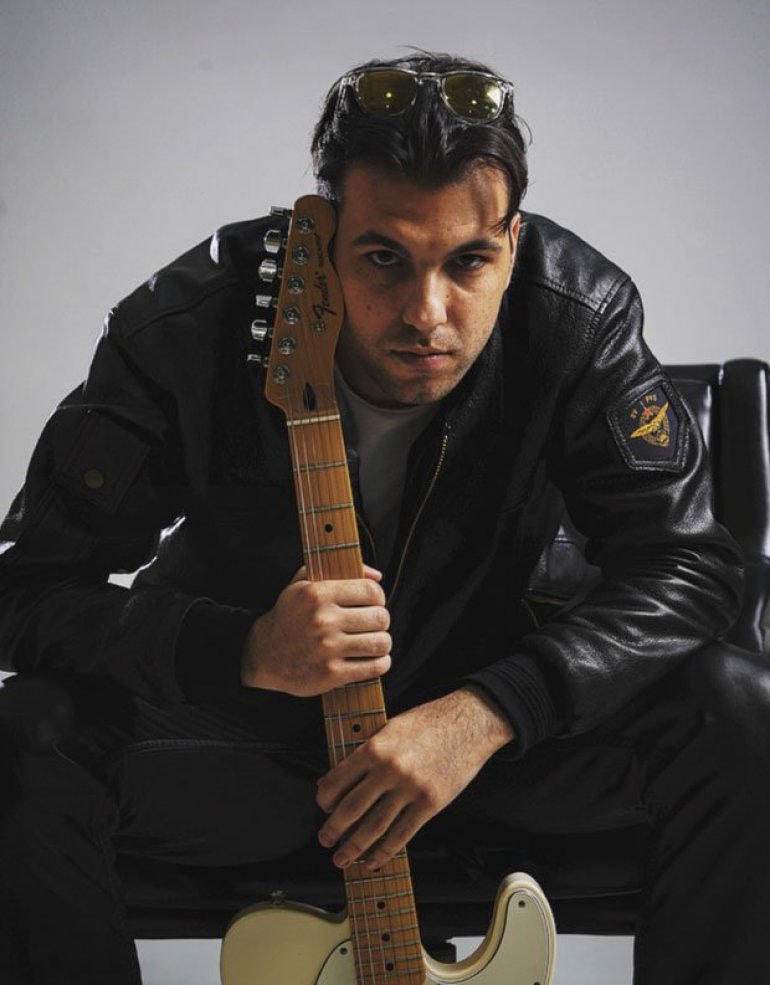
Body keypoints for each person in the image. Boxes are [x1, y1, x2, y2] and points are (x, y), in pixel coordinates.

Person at [0, 50, 765, 985]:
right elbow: (25, 591)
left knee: (742, 711)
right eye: (383, 258)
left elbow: (690, 567)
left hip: (496, 752)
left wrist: (490, 710)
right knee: (25, 734)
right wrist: (240, 649)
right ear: (322, 234)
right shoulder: (187, 327)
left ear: (514, 242)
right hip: (258, 747)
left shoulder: (579, 315)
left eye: (470, 260)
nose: (426, 314)